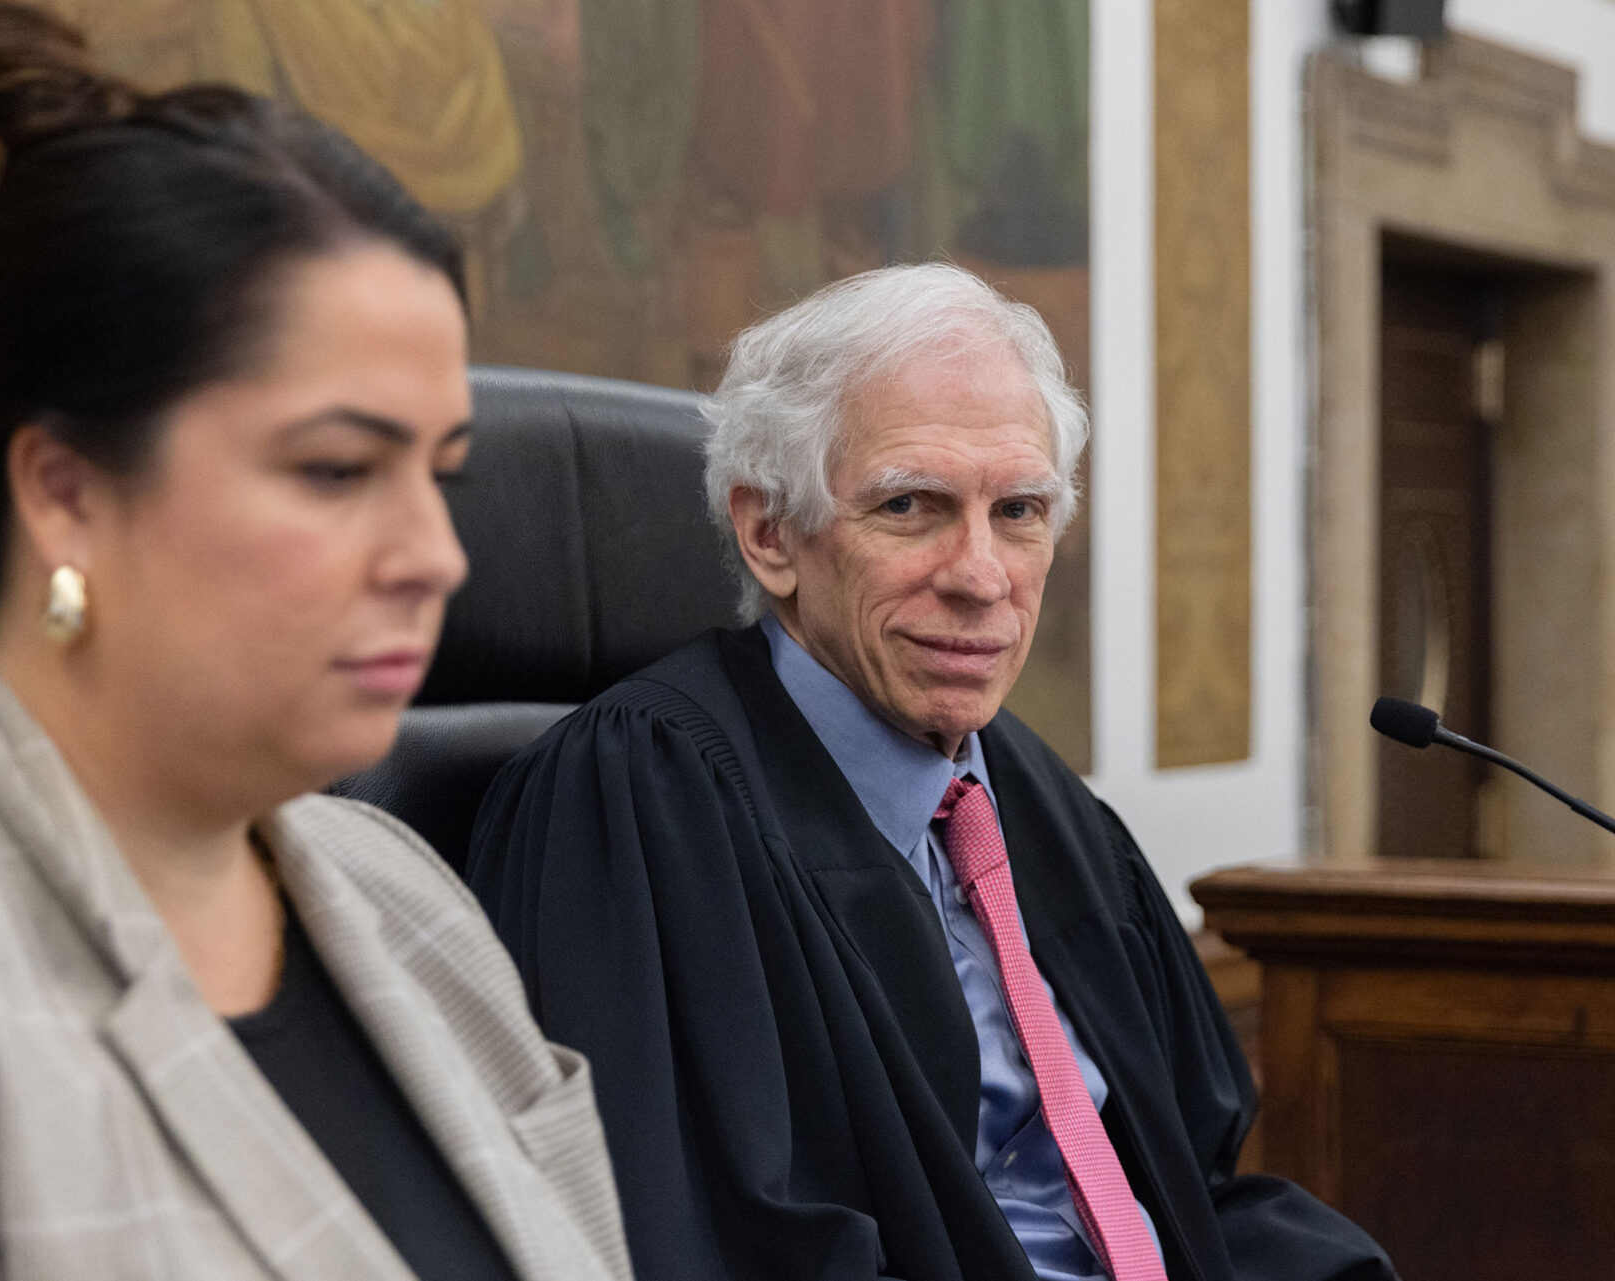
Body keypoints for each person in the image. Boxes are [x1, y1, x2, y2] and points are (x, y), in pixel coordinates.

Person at [0, 8, 630, 1281]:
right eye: (338, 469)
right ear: (69, 491)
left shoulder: (412, 904)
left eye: (442, 476)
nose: (437, 556)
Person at [466, 263, 1396, 1281]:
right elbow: (703, 1244)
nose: (982, 576)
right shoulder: (641, 801)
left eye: (1020, 511)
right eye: (911, 505)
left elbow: (1187, 1188)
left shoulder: (1047, 814)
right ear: (770, 533)